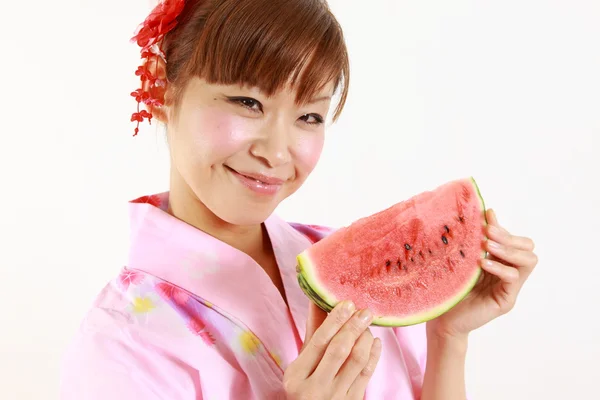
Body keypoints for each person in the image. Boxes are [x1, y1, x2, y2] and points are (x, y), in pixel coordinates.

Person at [60, 0, 538, 398]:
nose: (276, 152)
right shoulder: (119, 345)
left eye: (309, 116)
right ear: (164, 90)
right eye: (248, 103)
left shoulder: (349, 268)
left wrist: (448, 339)